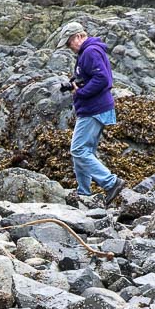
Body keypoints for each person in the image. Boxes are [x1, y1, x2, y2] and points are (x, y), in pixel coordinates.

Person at [57, 21, 125, 206]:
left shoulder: (90, 52)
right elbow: (93, 77)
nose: (69, 47)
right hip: (95, 108)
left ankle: (111, 183)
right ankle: (83, 192)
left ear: (78, 36)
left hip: (94, 109)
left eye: (69, 43)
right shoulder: (88, 52)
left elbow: (103, 79)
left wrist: (80, 92)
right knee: (84, 151)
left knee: (78, 150)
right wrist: (74, 82)